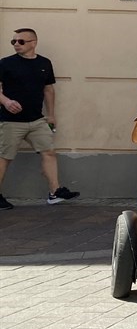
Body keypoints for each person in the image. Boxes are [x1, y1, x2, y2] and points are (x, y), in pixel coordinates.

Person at [0, 29, 80, 210]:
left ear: (33, 43)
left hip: (37, 120)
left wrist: (51, 115)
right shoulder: (5, 63)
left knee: (48, 152)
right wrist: (6, 102)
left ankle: (55, 192)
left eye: (21, 41)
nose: (16, 44)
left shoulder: (44, 63)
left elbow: (48, 90)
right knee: (4, 157)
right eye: (14, 42)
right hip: (11, 121)